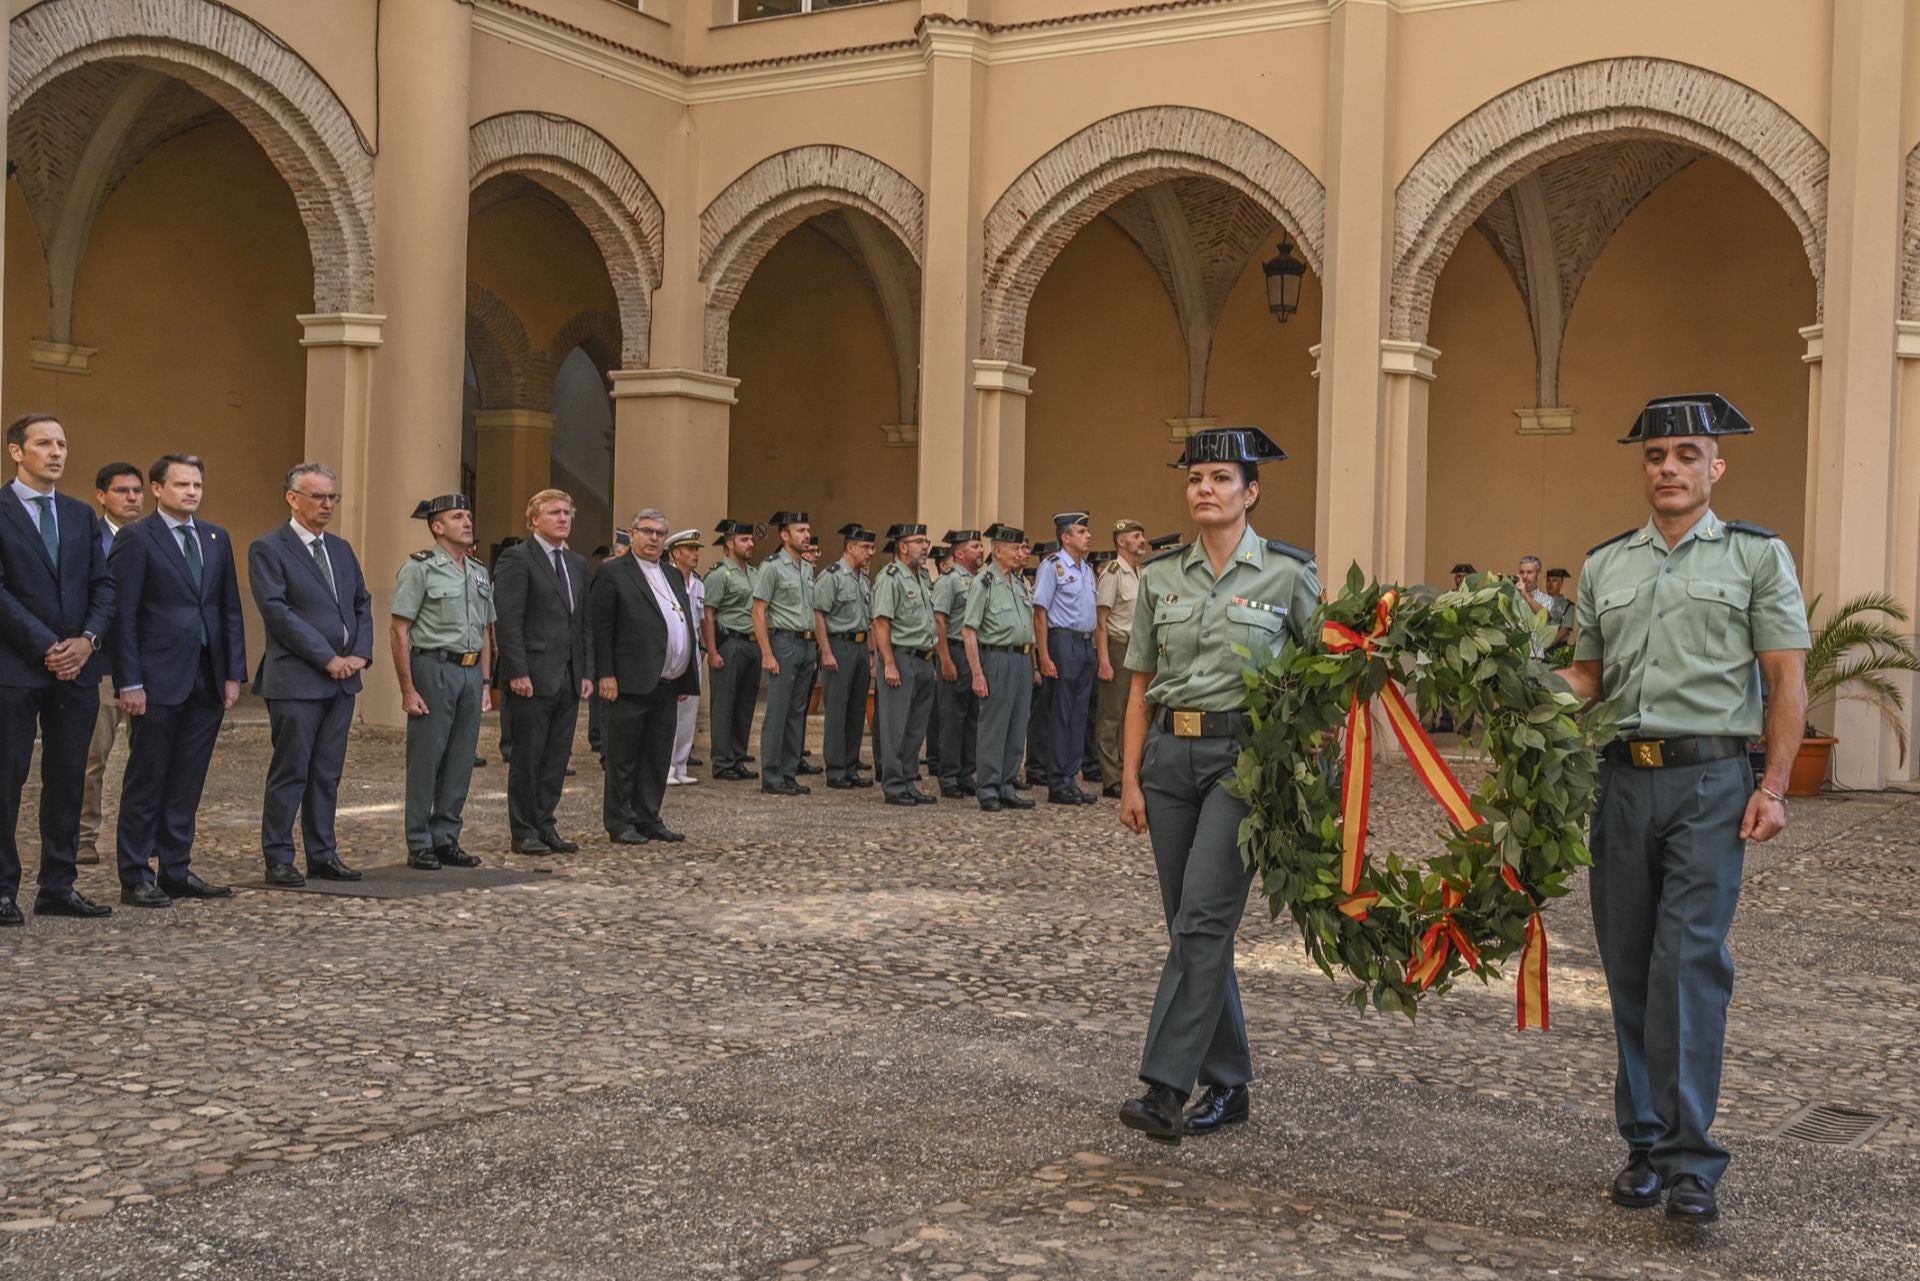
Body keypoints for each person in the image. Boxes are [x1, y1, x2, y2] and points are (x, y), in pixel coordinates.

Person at [1556, 393, 1809, 1225]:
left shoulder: (1755, 557)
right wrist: (1512, 683)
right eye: (1656, 455)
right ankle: (1645, 1144)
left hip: (1710, 785)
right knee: (1628, 966)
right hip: (1622, 782)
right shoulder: (1606, 565)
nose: (1669, 467)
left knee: (1688, 967)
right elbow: (1587, 680)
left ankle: (1693, 1159)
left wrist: (1772, 786)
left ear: (1715, 467)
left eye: (1686, 454)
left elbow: (1784, 680)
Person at [1116, 425, 1320, 1143]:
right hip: (1171, 758)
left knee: (1203, 919)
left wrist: (1307, 774)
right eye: (1195, 477)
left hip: (1244, 760)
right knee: (1191, 929)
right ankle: (1229, 1083)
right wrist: (1130, 777)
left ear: (1251, 491)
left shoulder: (1290, 575)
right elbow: (1141, 683)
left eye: (1221, 478)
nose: (1205, 488)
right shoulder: (1161, 576)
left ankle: (1165, 1085)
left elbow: (1320, 681)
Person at [109, 453, 247, 907]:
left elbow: (229, 609)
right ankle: (134, 874)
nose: (191, 492)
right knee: (147, 778)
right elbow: (123, 616)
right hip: (156, 678)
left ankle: (176, 868)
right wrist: (129, 681)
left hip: (206, 678)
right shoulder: (136, 538)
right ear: (157, 489)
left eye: (197, 485)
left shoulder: (215, 537)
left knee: (188, 779)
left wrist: (232, 674)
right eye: (182, 484)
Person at [0, 414, 116, 924]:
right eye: (44, 443)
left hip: (78, 669)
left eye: (62, 444)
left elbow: (104, 586)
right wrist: (49, 644)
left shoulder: (78, 515)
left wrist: (86, 641)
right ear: (16, 452)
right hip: (15, 668)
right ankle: (3, 890)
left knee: (68, 778)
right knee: (7, 778)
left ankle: (58, 885)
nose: (56, 452)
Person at [248, 462, 373, 887]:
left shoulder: (339, 548)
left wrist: (359, 654)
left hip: (343, 679)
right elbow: (278, 612)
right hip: (297, 679)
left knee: (327, 772)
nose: (326, 504)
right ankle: (279, 856)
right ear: (292, 498)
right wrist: (326, 657)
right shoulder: (269, 548)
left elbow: (362, 603)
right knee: (292, 770)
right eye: (317, 496)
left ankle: (322, 853)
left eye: (332, 497)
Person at [390, 494, 494, 871]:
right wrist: (408, 688)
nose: (467, 522)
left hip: (469, 672)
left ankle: (446, 837)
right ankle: (419, 841)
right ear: (438, 527)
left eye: (468, 515)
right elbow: (400, 630)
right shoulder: (419, 568)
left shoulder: (479, 571)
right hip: (434, 668)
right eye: (457, 517)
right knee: (427, 758)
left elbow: (485, 631)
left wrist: (485, 682)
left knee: (461, 759)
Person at [494, 489, 593, 854]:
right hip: (532, 676)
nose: (563, 518)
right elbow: (509, 621)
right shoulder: (517, 559)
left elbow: (582, 622)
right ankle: (524, 829)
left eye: (567, 512)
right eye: (554, 513)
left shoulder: (576, 564)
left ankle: (545, 822)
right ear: (534, 519)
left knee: (556, 758)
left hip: (567, 675)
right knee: (528, 756)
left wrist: (585, 671)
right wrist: (516, 670)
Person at [594, 509, 699, 844]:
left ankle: (648, 816)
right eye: (647, 531)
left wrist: (685, 676)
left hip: (668, 681)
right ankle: (620, 819)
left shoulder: (670, 573)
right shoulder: (614, 573)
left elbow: (682, 625)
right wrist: (605, 673)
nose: (654, 538)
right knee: (623, 757)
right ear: (632, 533)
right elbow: (601, 627)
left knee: (656, 755)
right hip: (630, 678)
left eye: (659, 533)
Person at [76, 461, 143, 867]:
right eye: (122, 491)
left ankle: (140, 836)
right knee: (92, 756)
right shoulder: (89, 539)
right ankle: (83, 836)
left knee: (147, 756)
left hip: (146, 668)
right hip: (101, 665)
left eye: (137, 491)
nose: (132, 498)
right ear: (101, 496)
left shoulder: (155, 539)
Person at [962, 524, 1038, 813]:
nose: (1023, 553)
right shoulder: (984, 582)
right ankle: (989, 787)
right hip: (996, 658)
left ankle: (1007, 784)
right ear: (998, 551)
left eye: (1023, 548)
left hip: (1020, 659)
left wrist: (1031, 665)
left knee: (1017, 726)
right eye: (1017, 548)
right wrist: (977, 673)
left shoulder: (1019, 582)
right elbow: (970, 630)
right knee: (994, 726)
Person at [1034, 513, 1100, 805]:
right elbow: (1040, 613)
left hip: (1085, 644)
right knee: (1060, 713)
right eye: (1082, 531)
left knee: (1079, 714)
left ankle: (1070, 777)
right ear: (1066, 537)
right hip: (1062, 641)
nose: (1088, 536)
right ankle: (1057, 781)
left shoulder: (1087, 569)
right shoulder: (1052, 566)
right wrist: (1044, 656)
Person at [872, 523, 938, 806]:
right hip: (900, 658)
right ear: (902, 546)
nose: (925, 546)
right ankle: (894, 784)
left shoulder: (922, 577)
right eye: (918, 541)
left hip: (923, 660)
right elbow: (881, 622)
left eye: (926, 540)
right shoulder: (891, 577)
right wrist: (888, 663)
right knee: (895, 725)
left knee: (915, 726)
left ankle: (909, 779)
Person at [752, 511, 817, 796]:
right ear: (784, 535)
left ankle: (789, 772)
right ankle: (771, 775)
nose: (806, 535)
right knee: (778, 711)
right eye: (800, 530)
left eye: (807, 530)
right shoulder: (772, 567)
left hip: (806, 643)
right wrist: (767, 652)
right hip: (784, 643)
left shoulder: (806, 567)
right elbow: (758, 611)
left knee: (796, 712)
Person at [812, 524, 875, 791]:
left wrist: (871, 654)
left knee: (856, 710)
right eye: (866, 547)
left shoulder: (863, 579)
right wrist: (826, 650)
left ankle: (851, 765)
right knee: (837, 710)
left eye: (872, 547)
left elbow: (870, 621)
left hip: (860, 647)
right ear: (850, 548)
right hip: (839, 645)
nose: (870, 552)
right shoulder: (832, 576)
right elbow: (819, 614)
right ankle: (836, 769)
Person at [1094, 518, 1149, 799]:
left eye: (1141, 536)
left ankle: (1126, 770)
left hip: (1135, 649)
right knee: (1111, 715)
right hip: (1116, 647)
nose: (1142, 541)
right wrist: (1104, 661)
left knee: (1131, 713)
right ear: (1121, 541)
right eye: (1136, 536)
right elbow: (1101, 622)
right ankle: (1110, 777)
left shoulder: (1138, 573)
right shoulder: (1113, 573)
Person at [703, 519, 761, 780]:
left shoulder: (754, 572)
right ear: (729, 544)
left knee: (745, 704)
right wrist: (712, 650)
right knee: (724, 704)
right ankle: (722, 761)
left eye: (750, 540)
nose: (751, 544)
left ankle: (738, 757)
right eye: (744, 540)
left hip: (751, 643)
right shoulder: (719, 574)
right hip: (730, 643)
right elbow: (708, 614)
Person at [934, 529, 984, 799]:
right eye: (975, 546)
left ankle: (967, 773)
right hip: (955, 650)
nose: (981, 550)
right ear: (960, 552)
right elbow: (939, 620)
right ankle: (949, 776)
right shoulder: (949, 581)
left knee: (973, 717)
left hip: (974, 652)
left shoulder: (979, 581)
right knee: (953, 717)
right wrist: (945, 659)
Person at [666, 529, 708, 785]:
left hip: (692, 649)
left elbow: (701, 620)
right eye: (690, 550)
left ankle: (680, 764)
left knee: (690, 709)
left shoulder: (698, 583)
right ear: (675, 553)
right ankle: (666, 766)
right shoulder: (665, 580)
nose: (695, 554)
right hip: (673, 648)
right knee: (671, 709)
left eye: (696, 550)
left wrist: (704, 648)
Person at [1544, 567, 1575, 650]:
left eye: (1554, 580)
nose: (1550, 584)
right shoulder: (1539, 603)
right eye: (1548, 580)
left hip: (1556, 649)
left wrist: (1547, 645)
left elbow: (1564, 630)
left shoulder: (1568, 606)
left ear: (1561, 583)